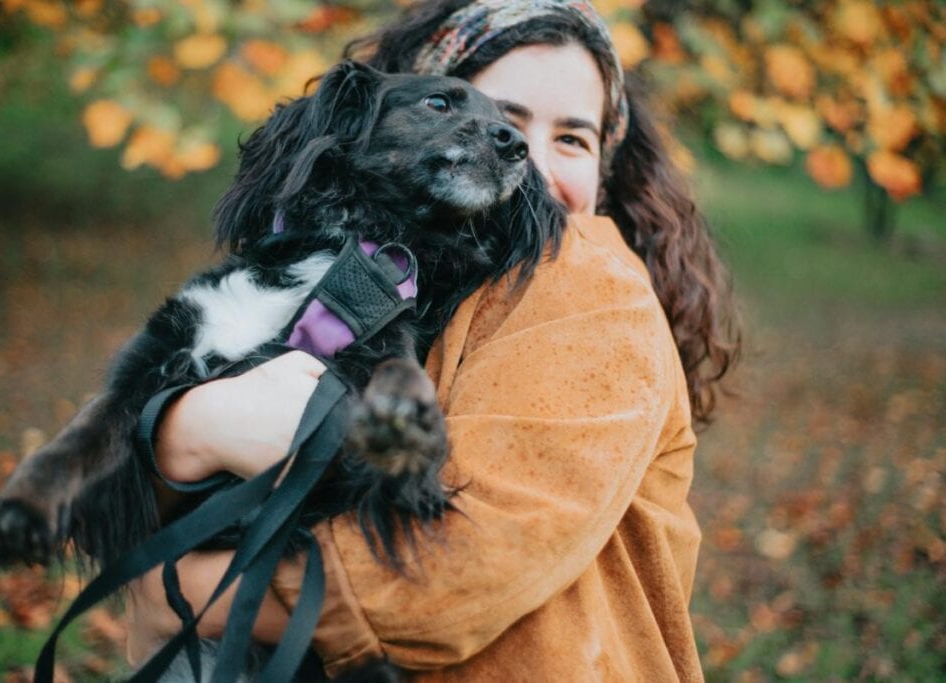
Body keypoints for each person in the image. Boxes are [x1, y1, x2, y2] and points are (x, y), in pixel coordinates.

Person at [125, 0, 740, 680]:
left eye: (573, 139)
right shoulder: (399, 286)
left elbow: (461, 570)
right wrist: (191, 428)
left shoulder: (589, 283)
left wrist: (179, 591)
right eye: (502, 122)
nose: (525, 161)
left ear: (607, 173)